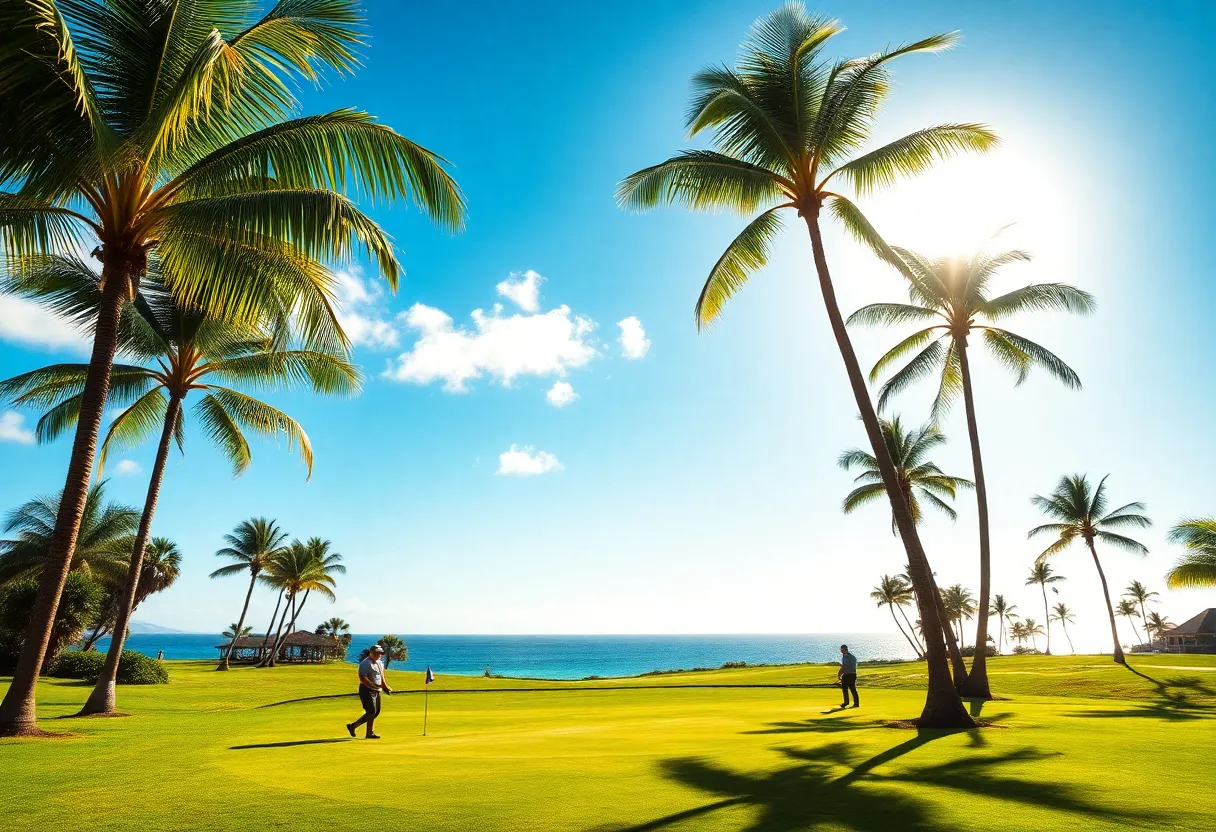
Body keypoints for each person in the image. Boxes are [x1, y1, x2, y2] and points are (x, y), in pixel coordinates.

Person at [347, 644, 392, 739]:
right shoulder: (365, 663)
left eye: (380, 653)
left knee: (376, 712)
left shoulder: (380, 663)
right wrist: (373, 686)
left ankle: (353, 726)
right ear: (372, 653)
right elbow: (362, 678)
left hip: (376, 690)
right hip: (366, 690)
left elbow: (381, 675)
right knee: (371, 711)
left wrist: (384, 687)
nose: (379, 655)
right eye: (377, 653)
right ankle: (369, 733)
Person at [837, 644, 859, 708]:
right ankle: (846, 702)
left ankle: (856, 703)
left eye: (842, 650)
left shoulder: (850, 657)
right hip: (848, 674)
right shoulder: (845, 656)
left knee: (852, 689)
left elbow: (845, 666)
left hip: (850, 674)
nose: (841, 651)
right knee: (845, 689)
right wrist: (840, 673)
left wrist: (840, 673)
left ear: (846, 649)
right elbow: (844, 666)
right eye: (841, 650)